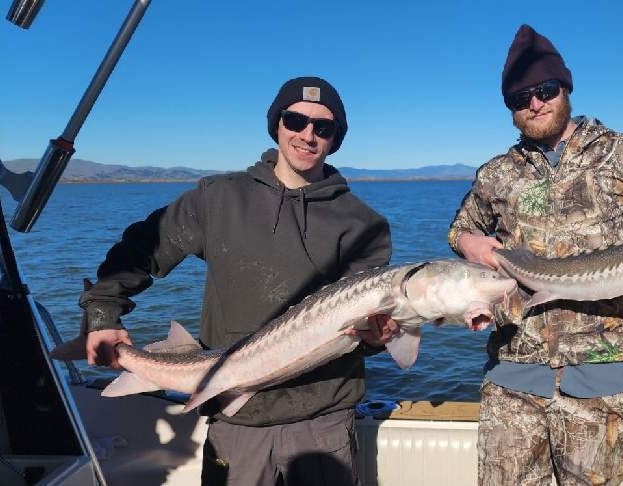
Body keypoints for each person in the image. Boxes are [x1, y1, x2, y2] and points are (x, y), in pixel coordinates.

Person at [80, 76, 394, 485]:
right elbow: (141, 249)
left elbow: (359, 334)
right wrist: (103, 313)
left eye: (323, 127)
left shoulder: (363, 224)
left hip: (323, 422)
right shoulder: (218, 198)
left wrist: (378, 338)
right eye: (295, 120)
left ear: (336, 138)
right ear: (276, 124)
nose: (307, 135)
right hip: (235, 418)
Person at [448, 25, 623, 485]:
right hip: (513, 369)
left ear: (566, 89)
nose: (535, 104)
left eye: (545, 90)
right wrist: (468, 243)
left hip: (602, 374)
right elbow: (461, 230)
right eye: (520, 98)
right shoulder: (495, 174)